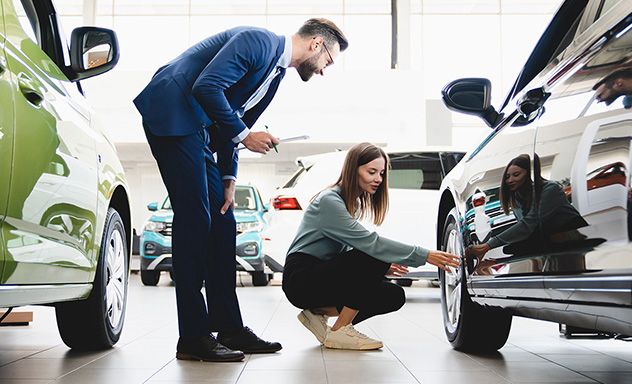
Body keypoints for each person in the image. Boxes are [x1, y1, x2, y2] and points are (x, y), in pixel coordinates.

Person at [132, 19, 348, 362]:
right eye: (329, 62)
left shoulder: (274, 75)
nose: (324, 71)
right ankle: (192, 336)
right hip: (173, 110)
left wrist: (229, 177)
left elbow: (233, 119)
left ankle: (229, 327)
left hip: (198, 128)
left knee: (222, 220)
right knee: (196, 219)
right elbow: (207, 87)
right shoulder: (258, 42)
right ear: (317, 44)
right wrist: (245, 137)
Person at [281, 143, 461, 350]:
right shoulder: (329, 200)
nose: (378, 179)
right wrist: (424, 255)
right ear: (353, 170)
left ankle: (316, 313)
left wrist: (383, 266)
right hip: (301, 278)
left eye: (381, 173)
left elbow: (348, 247)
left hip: (320, 274)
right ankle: (340, 330)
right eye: (371, 172)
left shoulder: (352, 202)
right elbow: (369, 244)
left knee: (393, 296)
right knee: (373, 254)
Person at [466, 154, 588, 261]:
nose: (510, 180)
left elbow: (529, 224)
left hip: (572, 237)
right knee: (510, 249)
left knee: (511, 249)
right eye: (507, 177)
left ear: (529, 174)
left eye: (516, 174)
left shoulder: (550, 189)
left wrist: (488, 245)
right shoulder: (517, 198)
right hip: (549, 241)